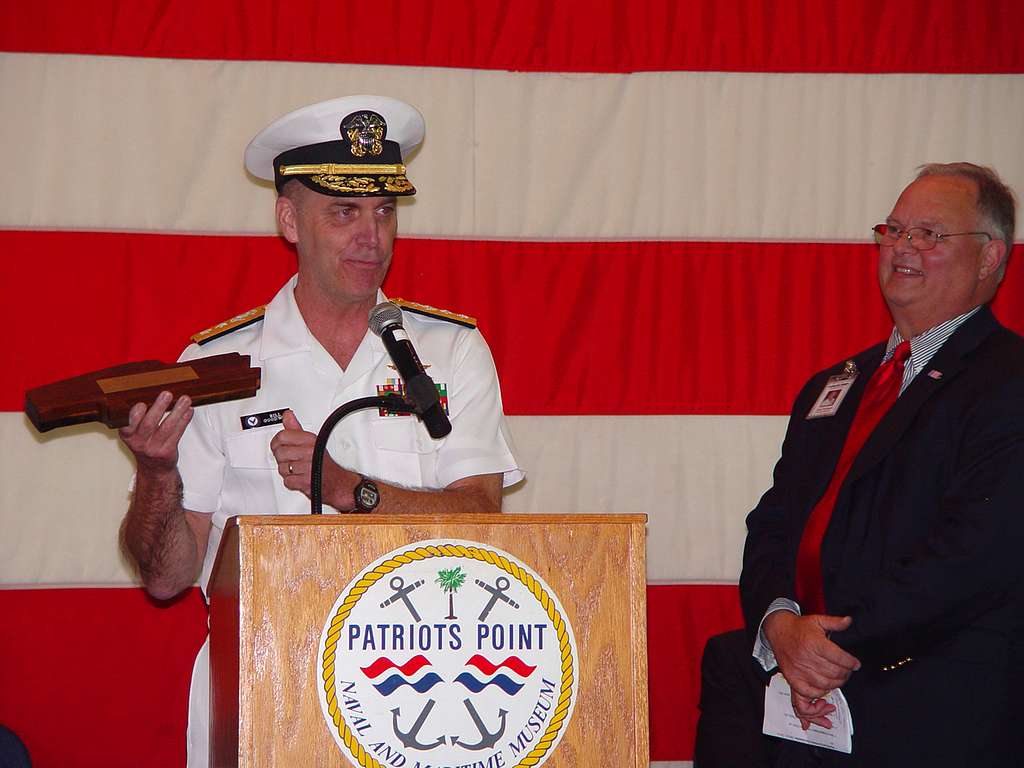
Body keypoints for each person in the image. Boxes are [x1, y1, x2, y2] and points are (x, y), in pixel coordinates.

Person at [118, 96, 523, 767]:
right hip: (263, 687)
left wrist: (347, 489)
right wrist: (156, 476)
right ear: (288, 220)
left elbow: (482, 515)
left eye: (384, 210)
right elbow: (166, 579)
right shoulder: (217, 368)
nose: (372, 235)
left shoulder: (448, 353)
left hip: (426, 696)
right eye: (344, 212)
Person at [701, 163, 1022, 767]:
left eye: (929, 235)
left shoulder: (1009, 381)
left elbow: (978, 553)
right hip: (806, 696)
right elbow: (774, 523)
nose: (902, 247)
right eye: (893, 230)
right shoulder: (837, 384)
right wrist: (780, 625)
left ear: (989, 258)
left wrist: (831, 646)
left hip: (934, 704)